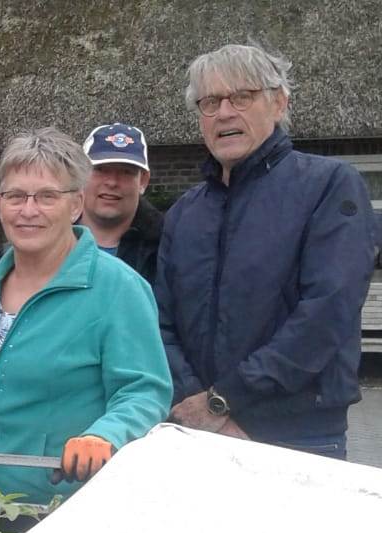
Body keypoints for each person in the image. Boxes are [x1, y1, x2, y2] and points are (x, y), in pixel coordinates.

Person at [0, 128, 171, 504]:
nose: (28, 210)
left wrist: (106, 435)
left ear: (75, 204)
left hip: (54, 509)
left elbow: (144, 392)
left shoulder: (117, 288)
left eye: (47, 196)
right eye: (15, 196)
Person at [156, 44, 379, 457]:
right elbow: (161, 322)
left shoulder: (329, 187)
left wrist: (223, 400)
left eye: (242, 97)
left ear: (279, 103)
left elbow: (327, 312)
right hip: (197, 431)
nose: (224, 112)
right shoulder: (184, 213)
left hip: (299, 435)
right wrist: (198, 404)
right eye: (210, 102)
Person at [79, 123, 163, 282]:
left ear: (143, 181)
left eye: (126, 172)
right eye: (101, 169)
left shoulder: (167, 248)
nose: (112, 182)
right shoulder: (48, 237)